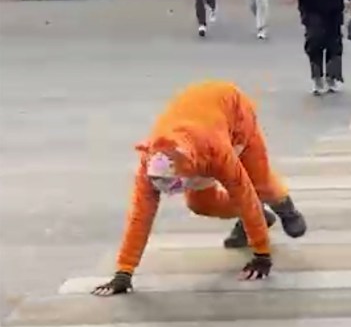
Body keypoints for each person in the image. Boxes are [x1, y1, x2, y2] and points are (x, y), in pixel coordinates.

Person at [91, 81, 308, 296]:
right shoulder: (151, 164)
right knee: (200, 203)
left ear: (187, 171)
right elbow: (140, 216)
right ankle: (258, 217)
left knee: (258, 183)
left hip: (234, 114)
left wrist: (262, 254)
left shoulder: (216, 151)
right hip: (194, 135)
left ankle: (284, 207)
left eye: (175, 186)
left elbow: (244, 194)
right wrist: (124, 272)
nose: (168, 192)